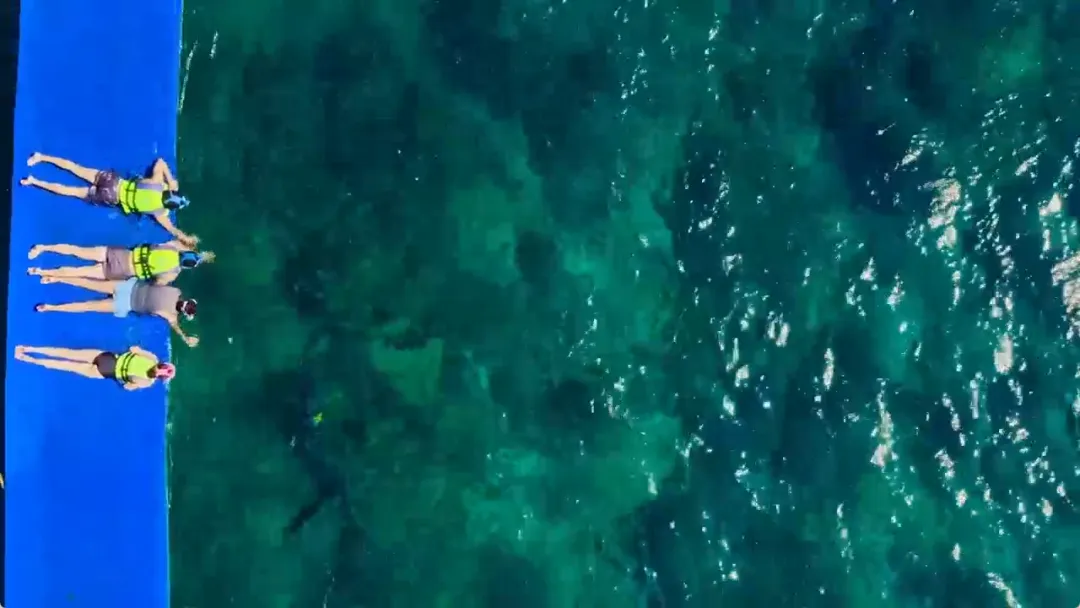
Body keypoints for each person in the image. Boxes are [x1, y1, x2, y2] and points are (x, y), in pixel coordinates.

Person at [20, 152, 197, 247]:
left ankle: (41, 157)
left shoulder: (157, 183)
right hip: (110, 197)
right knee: (70, 191)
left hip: (113, 181)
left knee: (75, 168)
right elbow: (173, 231)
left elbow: (160, 162)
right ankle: (33, 181)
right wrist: (187, 239)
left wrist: (171, 180)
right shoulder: (159, 213)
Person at [34, 276, 201, 348]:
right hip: (127, 304)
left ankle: (57, 278)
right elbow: (176, 328)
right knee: (88, 306)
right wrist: (186, 338)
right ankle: (50, 307)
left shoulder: (176, 291)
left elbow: (159, 280)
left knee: (89, 283)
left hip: (128, 287)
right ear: (185, 313)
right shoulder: (171, 315)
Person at [26, 240, 214, 284]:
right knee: (79, 272)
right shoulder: (172, 274)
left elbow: (177, 243)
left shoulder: (172, 247)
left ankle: (42, 248)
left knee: (77, 251)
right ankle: (42, 272)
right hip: (123, 272)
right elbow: (157, 283)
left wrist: (199, 251)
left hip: (122, 255)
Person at [13, 344, 174, 390]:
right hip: (106, 371)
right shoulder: (147, 382)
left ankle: (29, 348)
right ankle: (28, 359)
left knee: (67, 353)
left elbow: (133, 348)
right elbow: (127, 387)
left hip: (108, 358)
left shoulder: (152, 358)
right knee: (65, 365)